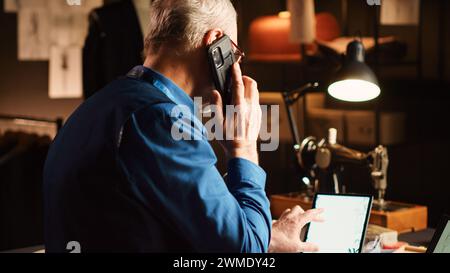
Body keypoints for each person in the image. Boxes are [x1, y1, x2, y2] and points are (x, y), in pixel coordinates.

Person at [43, 0, 322, 253]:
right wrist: (245, 147)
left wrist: (261, 235)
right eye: (235, 54)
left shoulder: (101, 105)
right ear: (216, 43)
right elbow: (241, 251)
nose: (236, 65)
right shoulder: (160, 119)